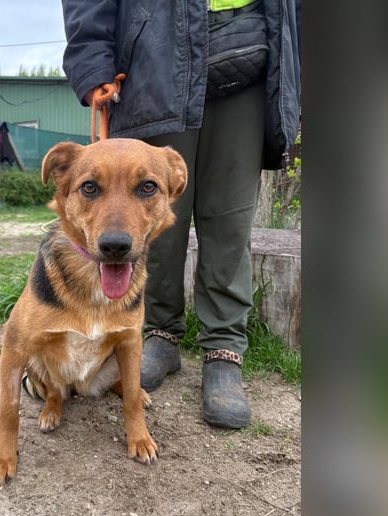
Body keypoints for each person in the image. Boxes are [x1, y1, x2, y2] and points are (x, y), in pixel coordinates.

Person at [61, 0, 301, 428]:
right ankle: (159, 332)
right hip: (155, 55)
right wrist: (91, 57)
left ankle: (224, 349)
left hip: (249, 50)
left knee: (230, 219)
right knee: (149, 222)